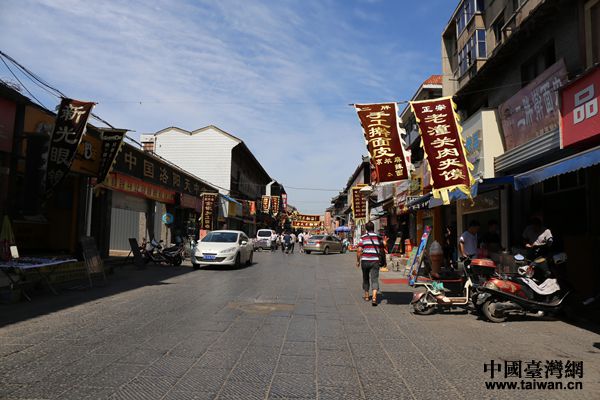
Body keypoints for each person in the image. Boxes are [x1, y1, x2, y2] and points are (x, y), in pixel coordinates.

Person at [356, 221, 384, 306]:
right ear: (373, 228)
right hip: (375, 261)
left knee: (365, 278)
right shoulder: (378, 237)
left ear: (366, 228)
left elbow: (359, 250)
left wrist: (358, 261)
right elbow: (383, 247)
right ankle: (374, 298)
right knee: (374, 279)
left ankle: (367, 296)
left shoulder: (363, 237)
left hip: (365, 261)